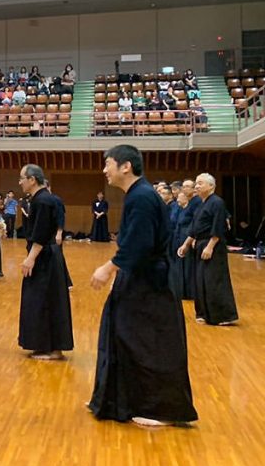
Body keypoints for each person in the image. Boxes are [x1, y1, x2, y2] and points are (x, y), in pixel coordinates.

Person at [89, 145, 197, 427]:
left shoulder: (142, 197)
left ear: (126, 166)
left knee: (148, 344)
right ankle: (116, 399)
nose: (104, 170)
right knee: (121, 335)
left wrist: (108, 268)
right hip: (139, 279)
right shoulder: (138, 196)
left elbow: (139, 244)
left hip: (151, 284)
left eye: (108, 163)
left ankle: (160, 408)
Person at [17, 164, 73, 360]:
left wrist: (30, 258)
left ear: (32, 179)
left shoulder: (42, 201)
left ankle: (54, 349)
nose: (20, 182)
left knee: (46, 301)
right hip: (47, 256)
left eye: (22, 178)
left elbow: (40, 234)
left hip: (44, 258)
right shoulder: (41, 199)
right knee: (44, 301)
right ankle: (46, 346)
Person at [179, 174, 239, 326]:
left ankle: (223, 315)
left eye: (200, 183)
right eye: (196, 183)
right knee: (200, 280)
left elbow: (218, 226)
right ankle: (204, 314)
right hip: (200, 244)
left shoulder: (217, 202)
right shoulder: (201, 203)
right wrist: (186, 244)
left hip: (213, 245)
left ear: (211, 186)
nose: (196, 186)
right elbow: (195, 227)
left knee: (214, 280)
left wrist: (210, 246)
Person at [173, 179, 200, 301]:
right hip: (181, 235)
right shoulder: (189, 203)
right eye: (183, 186)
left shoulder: (196, 202)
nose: (184, 189)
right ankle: (183, 290)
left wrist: (192, 239)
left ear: (194, 188)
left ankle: (190, 292)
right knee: (182, 265)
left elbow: (196, 222)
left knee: (189, 266)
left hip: (188, 237)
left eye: (187, 186)